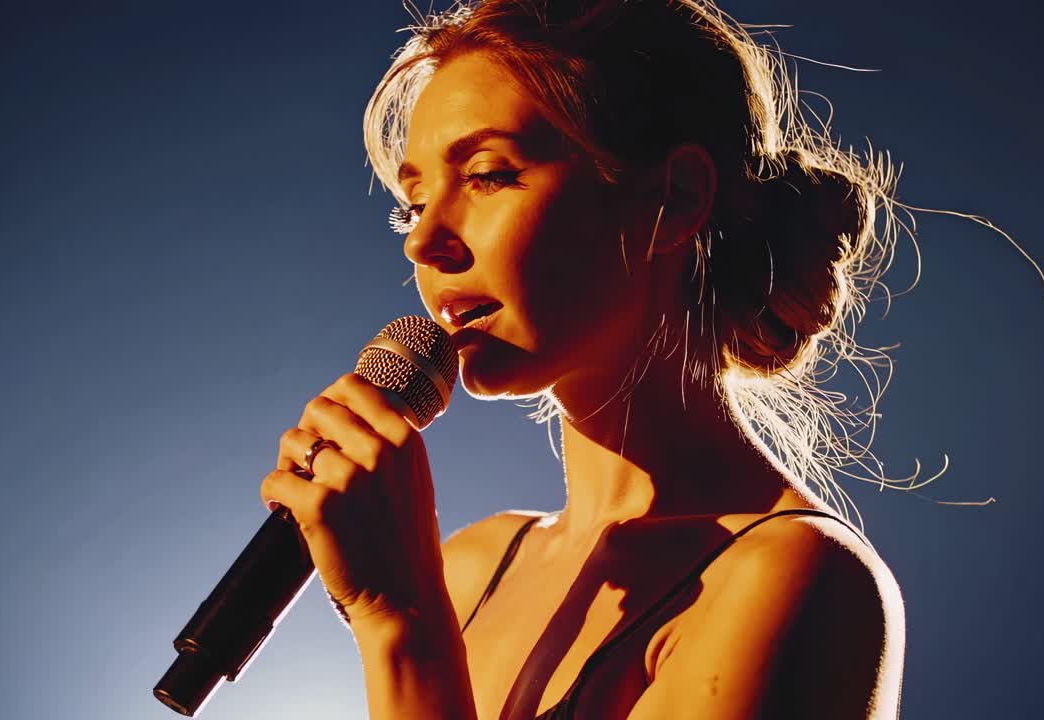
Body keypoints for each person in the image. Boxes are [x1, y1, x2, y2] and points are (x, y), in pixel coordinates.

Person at [259, 1, 918, 717]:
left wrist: (403, 630)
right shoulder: (470, 568)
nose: (423, 243)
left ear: (676, 196)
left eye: (487, 175)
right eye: (412, 206)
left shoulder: (795, 578)